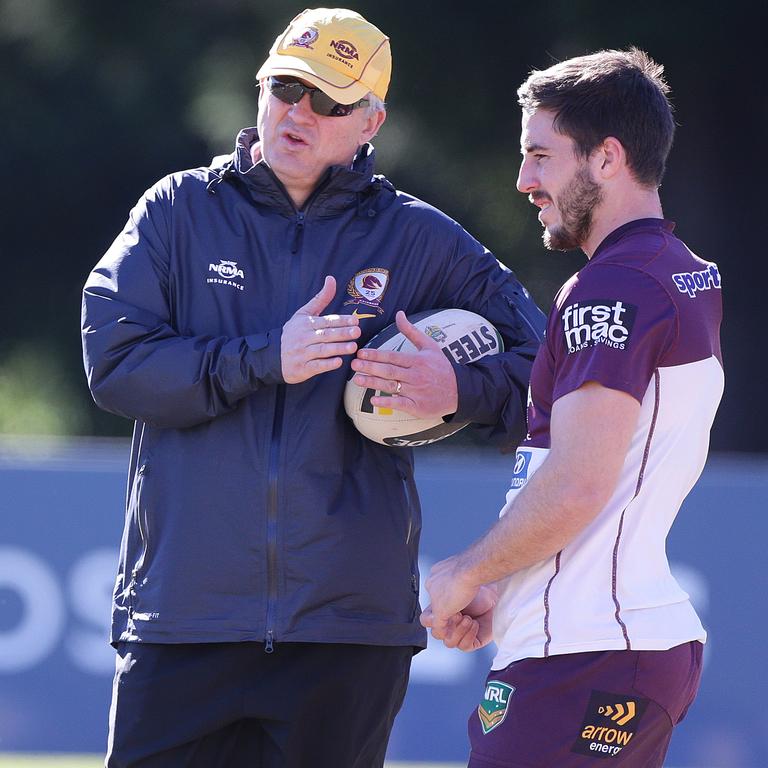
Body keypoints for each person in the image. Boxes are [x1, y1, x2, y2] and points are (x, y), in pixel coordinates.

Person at [81, 7, 545, 768]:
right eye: (286, 87)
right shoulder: (176, 211)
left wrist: (454, 386)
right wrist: (266, 357)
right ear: (260, 88)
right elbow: (116, 361)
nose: (298, 112)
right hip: (184, 623)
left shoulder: (418, 236)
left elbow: (550, 374)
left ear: (371, 121)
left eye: (328, 100)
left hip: (346, 634)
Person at [420, 48, 724, 767]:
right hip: (615, 644)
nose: (525, 180)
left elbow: (582, 479)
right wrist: (509, 581)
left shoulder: (612, 286)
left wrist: (465, 574)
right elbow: (611, 480)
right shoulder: (680, 272)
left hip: (584, 657)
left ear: (608, 157)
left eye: (541, 156)